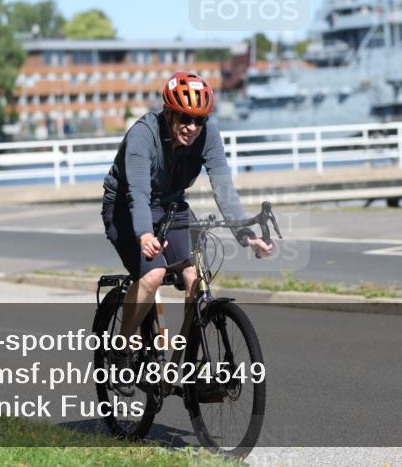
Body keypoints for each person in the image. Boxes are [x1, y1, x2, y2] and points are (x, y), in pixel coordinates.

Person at [102, 71, 275, 353]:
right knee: (153, 275)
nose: (192, 127)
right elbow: (138, 193)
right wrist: (145, 234)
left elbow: (223, 187)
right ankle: (122, 348)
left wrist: (247, 235)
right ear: (168, 113)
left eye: (199, 119)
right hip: (125, 206)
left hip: (172, 206)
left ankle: (190, 358)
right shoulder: (143, 135)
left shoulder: (208, 134)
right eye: (185, 118)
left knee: (196, 275)